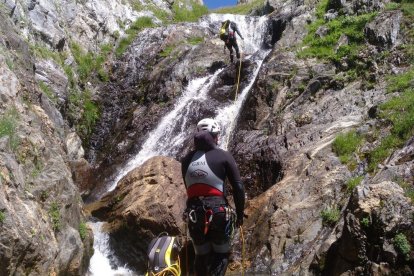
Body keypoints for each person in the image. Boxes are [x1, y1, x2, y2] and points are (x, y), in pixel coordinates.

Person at [181, 118, 245, 276]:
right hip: (218, 212)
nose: (218, 138)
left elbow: (189, 187)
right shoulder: (224, 156)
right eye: (217, 135)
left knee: (201, 255)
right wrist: (240, 215)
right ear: (214, 136)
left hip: (194, 213)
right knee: (221, 254)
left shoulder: (186, 159)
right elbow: (238, 187)